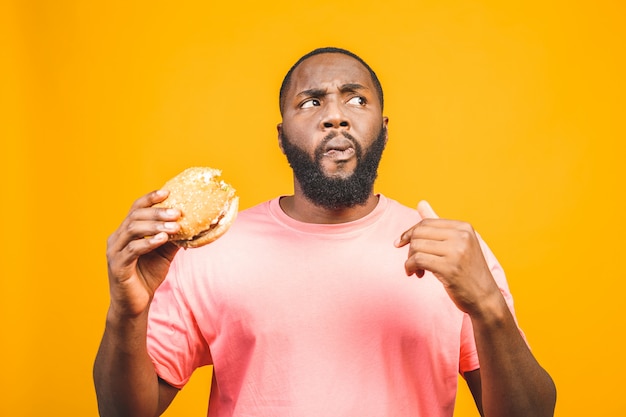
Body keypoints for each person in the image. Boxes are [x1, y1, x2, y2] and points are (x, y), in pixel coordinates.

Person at [93, 47, 556, 417]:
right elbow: (124, 412)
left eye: (356, 99)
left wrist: (489, 307)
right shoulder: (210, 250)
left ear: (384, 129)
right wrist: (126, 312)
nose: (336, 115)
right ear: (281, 135)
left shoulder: (452, 254)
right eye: (311, 102)